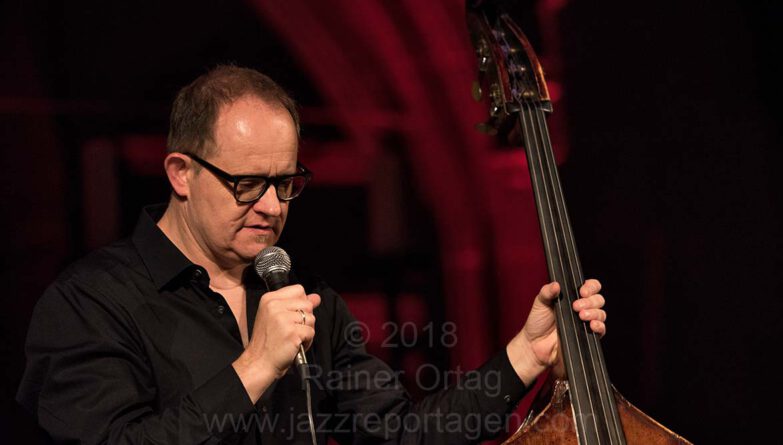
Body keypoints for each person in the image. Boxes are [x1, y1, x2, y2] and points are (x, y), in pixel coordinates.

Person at [16, 65, 607, 444]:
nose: (273, 206)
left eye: (287, 182)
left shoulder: (306, 301)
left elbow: (403, 435)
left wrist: (524, 357)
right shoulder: (90, 302)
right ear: (181, 173)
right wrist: (253, 368)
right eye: (247, 183)